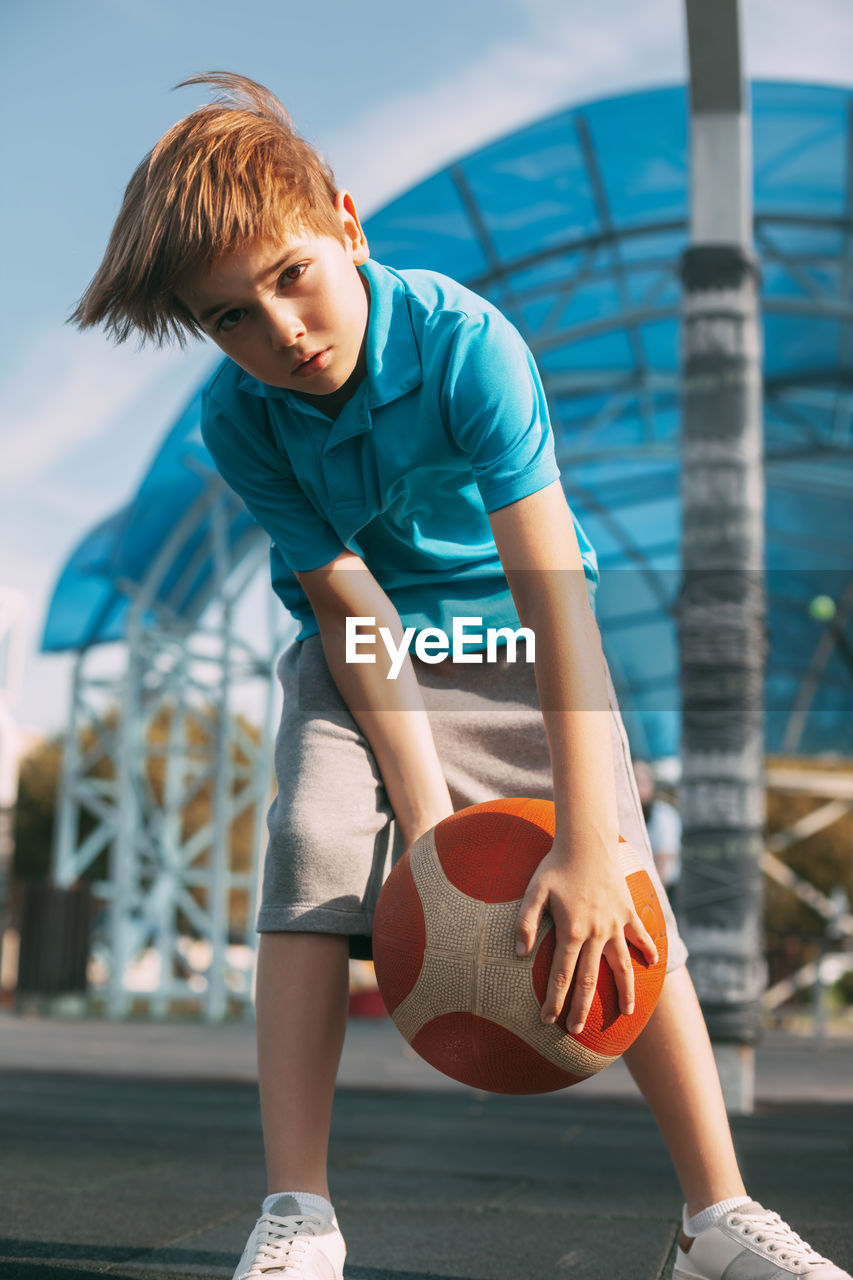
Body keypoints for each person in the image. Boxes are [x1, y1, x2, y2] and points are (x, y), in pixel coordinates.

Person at [71, 72, 850, 1280]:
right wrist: (428, 822)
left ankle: (714, 1216)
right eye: (228, 316)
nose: (277, 329)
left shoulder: (462, 341)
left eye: (290, 276)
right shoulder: (240, 422)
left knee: (626, 879)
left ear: (345, 222)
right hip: (374, 645)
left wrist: (592, 841)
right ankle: (298, 1209)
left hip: (515, 628)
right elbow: (350, 607)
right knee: (317, 843)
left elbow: (552, 596)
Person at [633, 759, 682, 892]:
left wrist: (655, 898)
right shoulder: (624, 817)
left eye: (641, 781)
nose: (637, 787)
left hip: (662, 893)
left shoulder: (663, 816)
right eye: (633, 781)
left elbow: (664, 864)